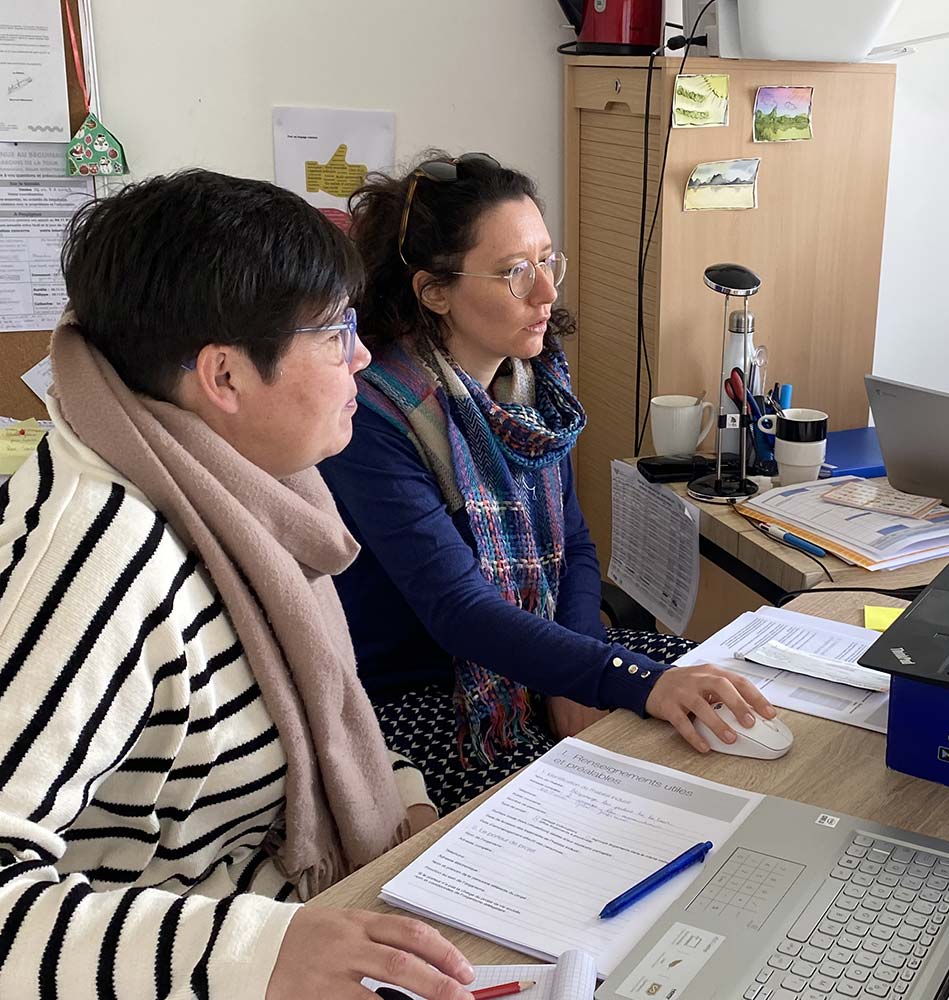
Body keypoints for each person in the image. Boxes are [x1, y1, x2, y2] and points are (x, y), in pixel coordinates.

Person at [0, 170, 479, 1000]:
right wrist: (254, 956)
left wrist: (400, 804)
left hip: (280, 912)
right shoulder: (99, 559)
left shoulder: (246, 488)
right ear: (223, 377)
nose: (361, 357)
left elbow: (316, 705)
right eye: (335, 334)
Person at [319, 152, 774, 811]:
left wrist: (581, 674)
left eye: (546, 259)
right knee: (612, 810)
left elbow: (577, 551)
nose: (546, 293)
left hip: (544, 660)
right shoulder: (375, 417)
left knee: (725, 705)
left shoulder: (532, 389)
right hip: (430, 698)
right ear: (434, 290)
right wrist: (617, 677)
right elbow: (458, 612)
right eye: (514, 272)